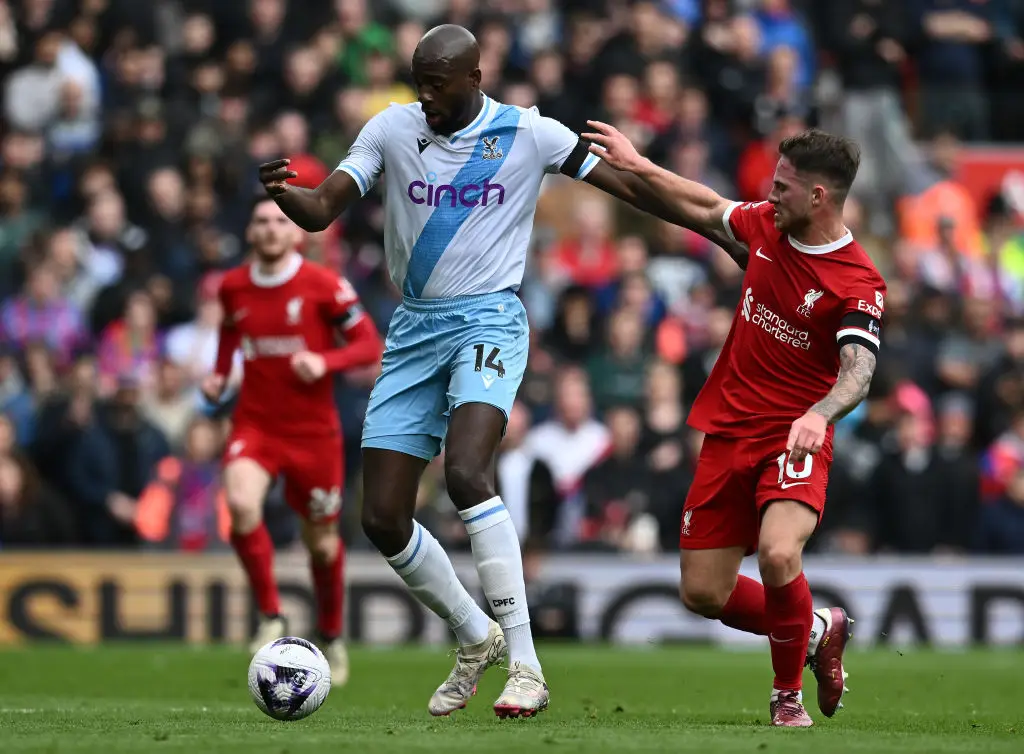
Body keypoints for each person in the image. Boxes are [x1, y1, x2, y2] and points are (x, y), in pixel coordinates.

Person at [257, 24, 741, 719]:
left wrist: (718, 232)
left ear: (473, 76)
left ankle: (527, 665)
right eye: (418, 81)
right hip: (415, 326)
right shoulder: (393, 128)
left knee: (465, 473)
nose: (424, 96)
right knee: (384, 517)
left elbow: (631, 190)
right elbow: (322, 208)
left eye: (436, 84)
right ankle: (473, 633)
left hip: (489, 318)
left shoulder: (529, 134)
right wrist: (286, 194)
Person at [583, 120, 885, 727]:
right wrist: (637, 165)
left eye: (782, 186)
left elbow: (860, 371)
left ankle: (785, 697)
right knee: (702, 592)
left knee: (778, 555)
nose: (770, 194)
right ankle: (819, 627)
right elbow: (700, 204)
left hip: (792, 435)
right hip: (729, 431)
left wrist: (819, 414)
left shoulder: (857, 282)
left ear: (819, 197)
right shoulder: (767, 228)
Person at [201, 196, 384, 686]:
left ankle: (330, 635)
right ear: (249, 232)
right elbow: (228, 335)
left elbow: (370, 344)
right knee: (240, 503)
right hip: (255, 425)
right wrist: (219, 377)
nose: (269, 229)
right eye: (260, 220)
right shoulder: (233, 286)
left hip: (313, 435)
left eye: (279, 221)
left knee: (321, 546)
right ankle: (270, 616)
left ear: (297, 233)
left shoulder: (323, 285)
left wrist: (326, 362)